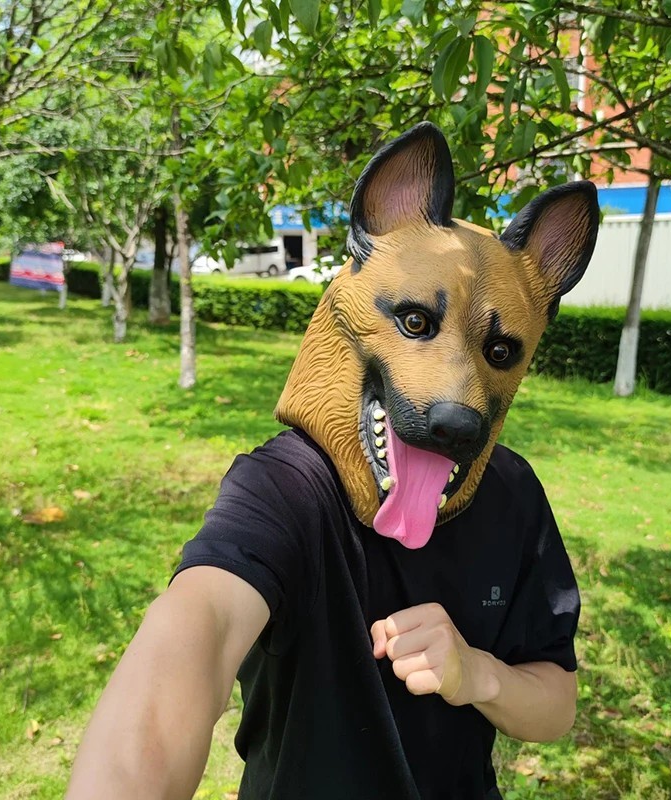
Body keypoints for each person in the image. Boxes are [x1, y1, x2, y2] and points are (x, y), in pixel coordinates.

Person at [67, 123, 599, 800]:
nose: (456, 403)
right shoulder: (284, 490)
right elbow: (198, 624)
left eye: (498, 354)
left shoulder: (515, 496)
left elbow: (555, 706)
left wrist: (476, 673)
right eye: (415, 322)